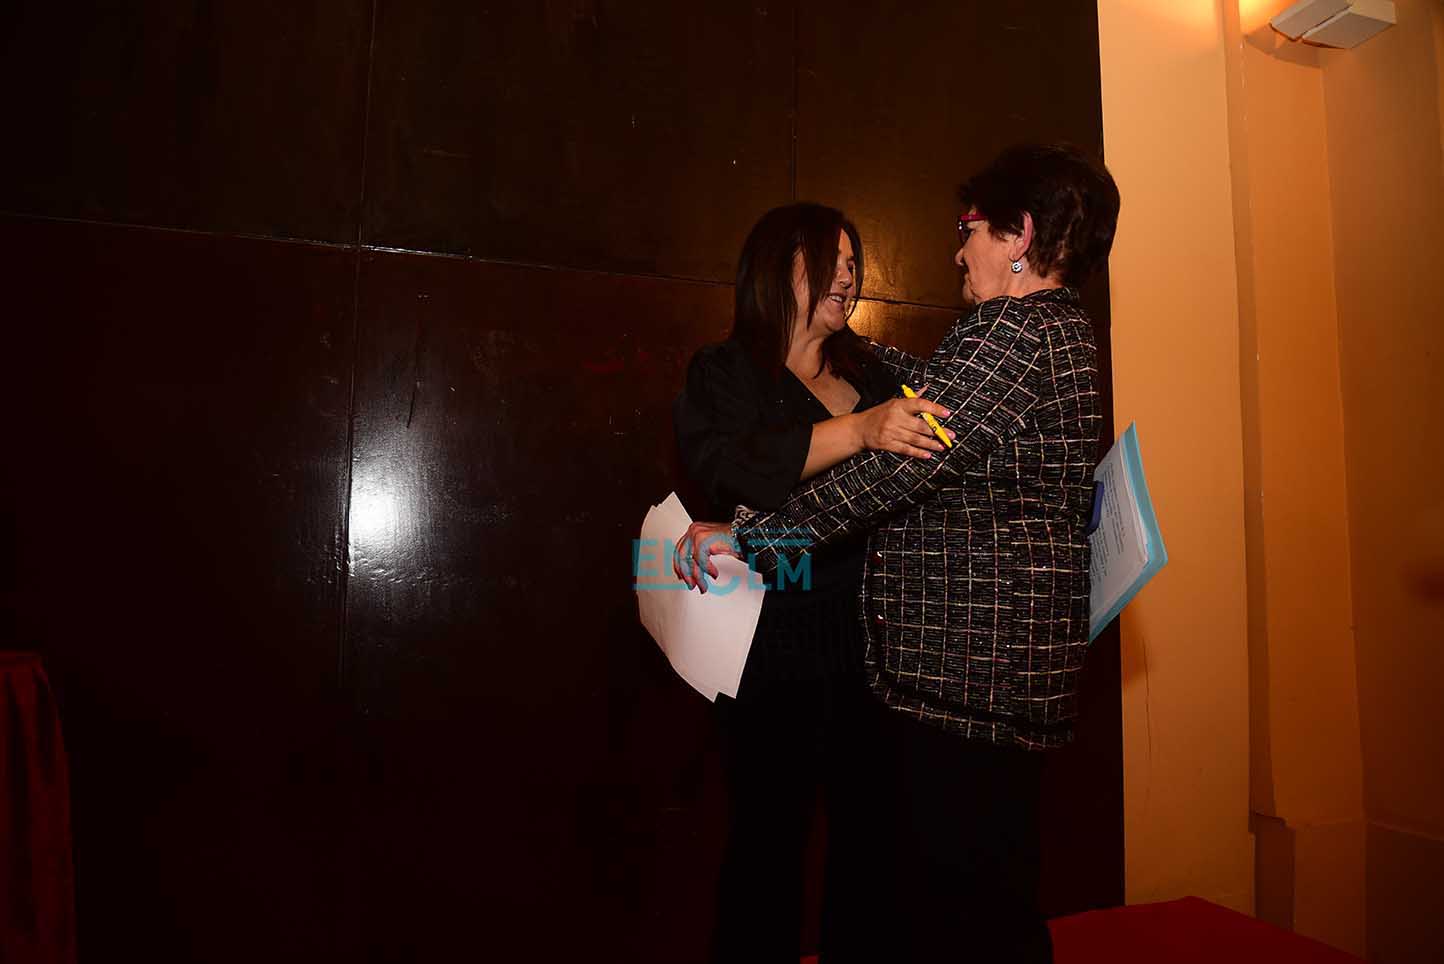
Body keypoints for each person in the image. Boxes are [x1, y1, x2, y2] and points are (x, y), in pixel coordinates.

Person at [677, 143, 1121, 962]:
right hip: (877, 663)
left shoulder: (1014, 331)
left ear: (1019, 236)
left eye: (971, 229)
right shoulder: (1050, 330)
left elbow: (893, 473)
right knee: (835, 860)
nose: (959, 250)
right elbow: (942, 396)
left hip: (966, 671)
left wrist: (752, 535)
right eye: (831, 262)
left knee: (956, 898)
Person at [671, 202, 951, 963]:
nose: (847, 276)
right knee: (767, 845)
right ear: (775, 268)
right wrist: (860, 431)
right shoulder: (726, 372)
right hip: (773, 649)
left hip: (880, 652)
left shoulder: (875, 373)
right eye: (829, 259)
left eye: (854, 263)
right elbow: (734, 471)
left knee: (874, 848)